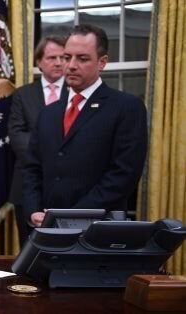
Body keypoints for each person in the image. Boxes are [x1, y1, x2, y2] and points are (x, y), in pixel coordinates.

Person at [23, 24, 147, 227]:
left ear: (102, 62)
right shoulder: (48, 113)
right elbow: (32, 169)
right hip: (46, 230)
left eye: (82, 58)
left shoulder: (126, 108)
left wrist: (70, 217)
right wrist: (33, 210)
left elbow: (124, 174)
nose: (71, 65)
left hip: (98, 231)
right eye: (66, 57)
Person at [8, 35, 67, 244]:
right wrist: (55, 154)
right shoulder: (23, 95)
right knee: (29, 250)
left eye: (63, 57)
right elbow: (17, 136)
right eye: (52, 57)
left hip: (66, 186)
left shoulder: (75, 94)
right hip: (27, 186)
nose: (59, 63)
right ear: (39, 62)